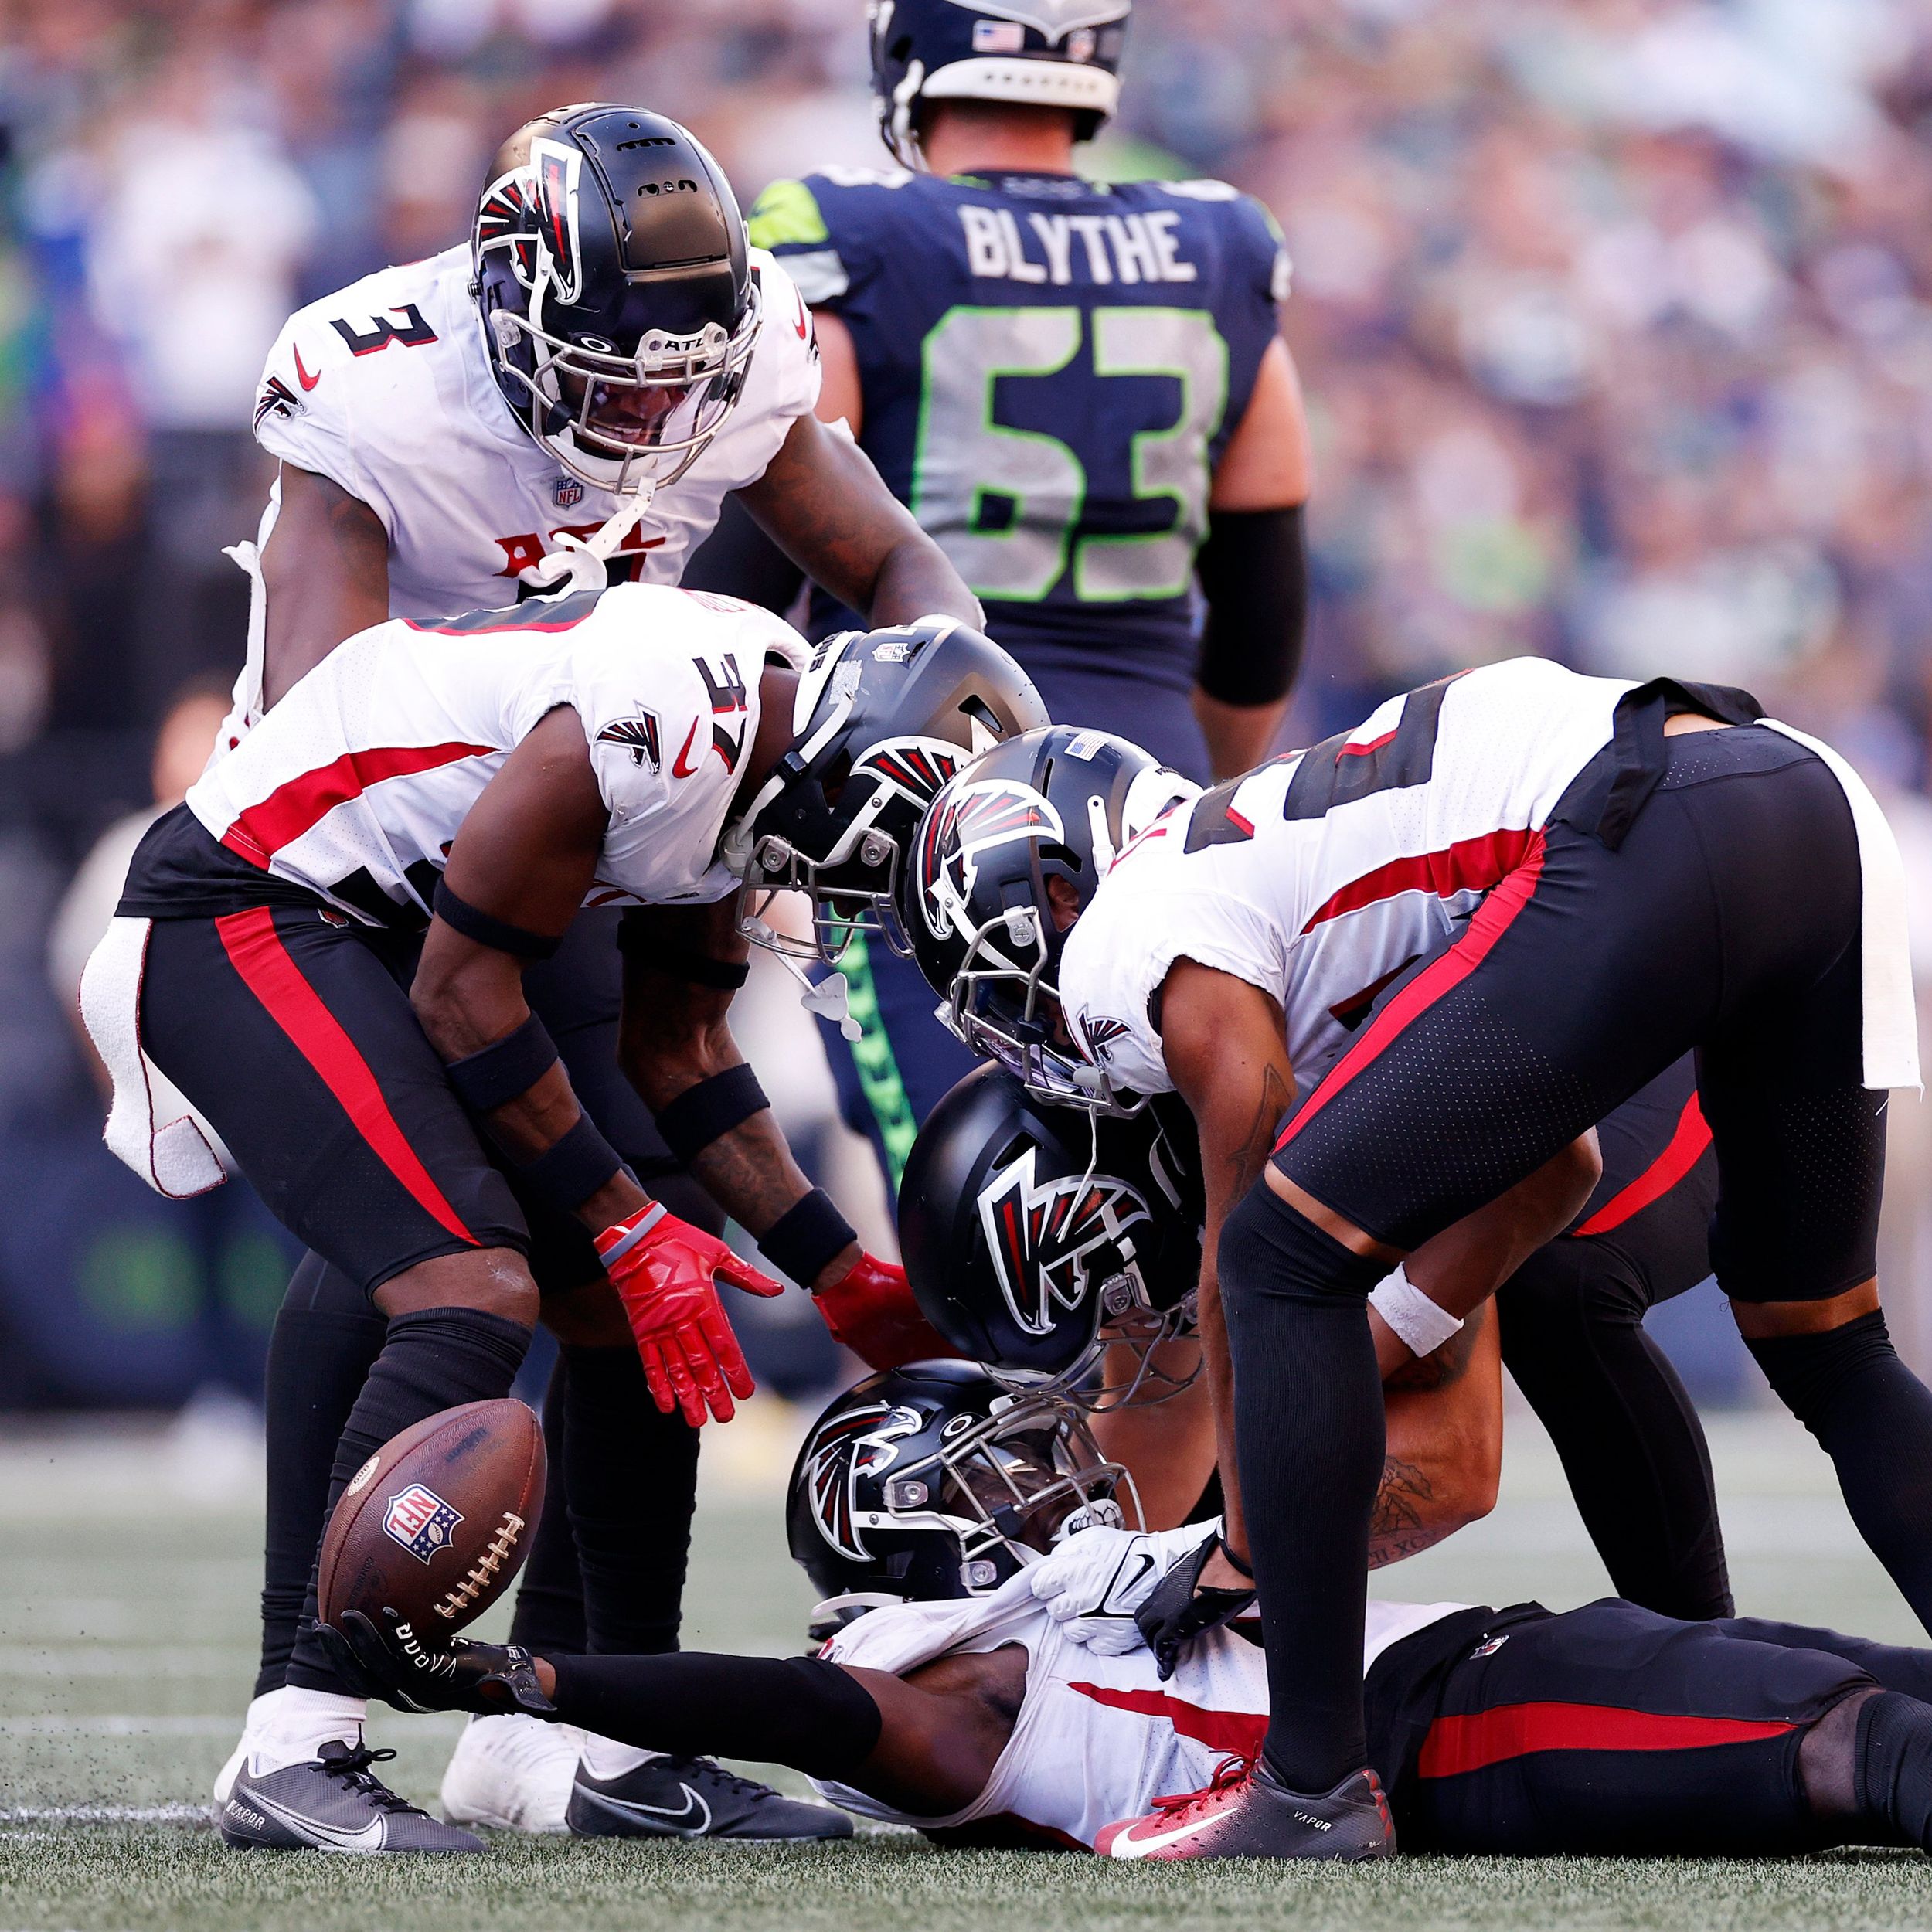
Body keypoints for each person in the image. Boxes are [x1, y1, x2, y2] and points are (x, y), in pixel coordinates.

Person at [222, 99, 985, 1840]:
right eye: (609, 370)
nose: (648, 418)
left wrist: (945, 725)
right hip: (347, 839)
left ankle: (579, 1715)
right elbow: (339, 725)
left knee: (645, 1224)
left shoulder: (735, 365)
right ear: (507, 300)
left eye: (680, 381)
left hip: (592, 800)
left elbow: (893, 568)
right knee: (435, 1228)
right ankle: (297, 1701)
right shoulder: (380, 384)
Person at [901, 660, 1927, 1856]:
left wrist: (1244, 1539)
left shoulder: (1128, 935)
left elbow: (1263, 1241)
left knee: (1278, 1257)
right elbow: (1559, 1174)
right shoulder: (1268, 878)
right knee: (1830, 1345)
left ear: (1047, 900)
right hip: (1808, 797)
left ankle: (1310, 1787)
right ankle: (1701, 1666)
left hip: (1652, 813)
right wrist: (1347, 1357)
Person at [82, 585, 1042, 1851]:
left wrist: (836, 1270)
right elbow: (463, 995)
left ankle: (607, 1743)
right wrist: (627, 1225)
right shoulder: (666, 719)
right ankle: (293, 1739)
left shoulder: (755, 755)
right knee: (469, 1284)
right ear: (848, 783)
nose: (853, 888)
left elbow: (680, 1048)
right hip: (246, 908)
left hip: (380, 927)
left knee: (635, 1304)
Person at [319, 1369, 1932, 1866]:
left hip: (1497, 1648)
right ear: (909, 1525)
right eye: (1005, 1471)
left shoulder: (1027, 1614)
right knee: (1849, 1748)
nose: (1057, 1477)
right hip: (1449, 1729)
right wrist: (521, 1674)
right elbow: (795, 1708)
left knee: (1886, 1684)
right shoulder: (936, 1694)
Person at [687, 0, 1311, 1194]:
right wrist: (1185, 779)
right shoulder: (1218, 248)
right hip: (1155, 779)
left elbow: (760, 555)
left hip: (924, 789)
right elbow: (1263, 614)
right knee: (1162, 1188)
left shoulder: (846, 235)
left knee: (981, 1193)